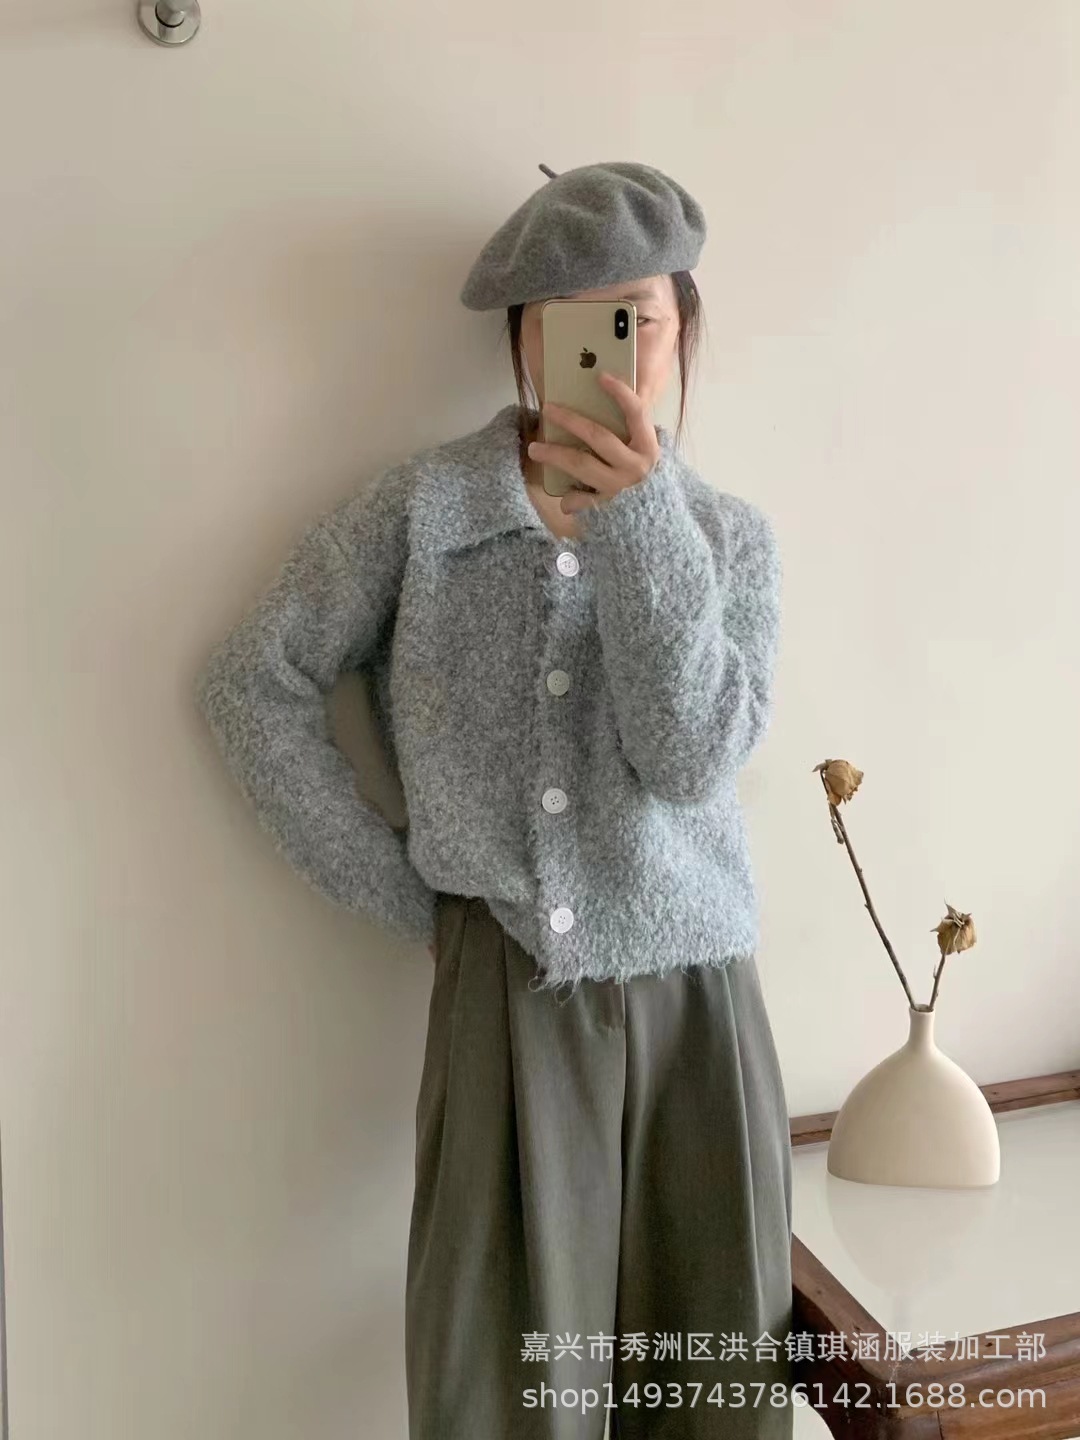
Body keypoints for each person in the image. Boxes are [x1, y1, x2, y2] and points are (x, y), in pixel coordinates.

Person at [195, 160, 792, 1440]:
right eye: (570, 323)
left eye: (637, 316)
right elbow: (253, 684)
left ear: (684, 325)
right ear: (522, 341)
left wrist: (642, 524)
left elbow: (691, 759)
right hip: (501, 994)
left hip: (700, 1014)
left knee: (711, 1389)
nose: (610, 352)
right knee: (504, 1393)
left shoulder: (728, 540)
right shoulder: (422, 513)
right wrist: (420, 896)